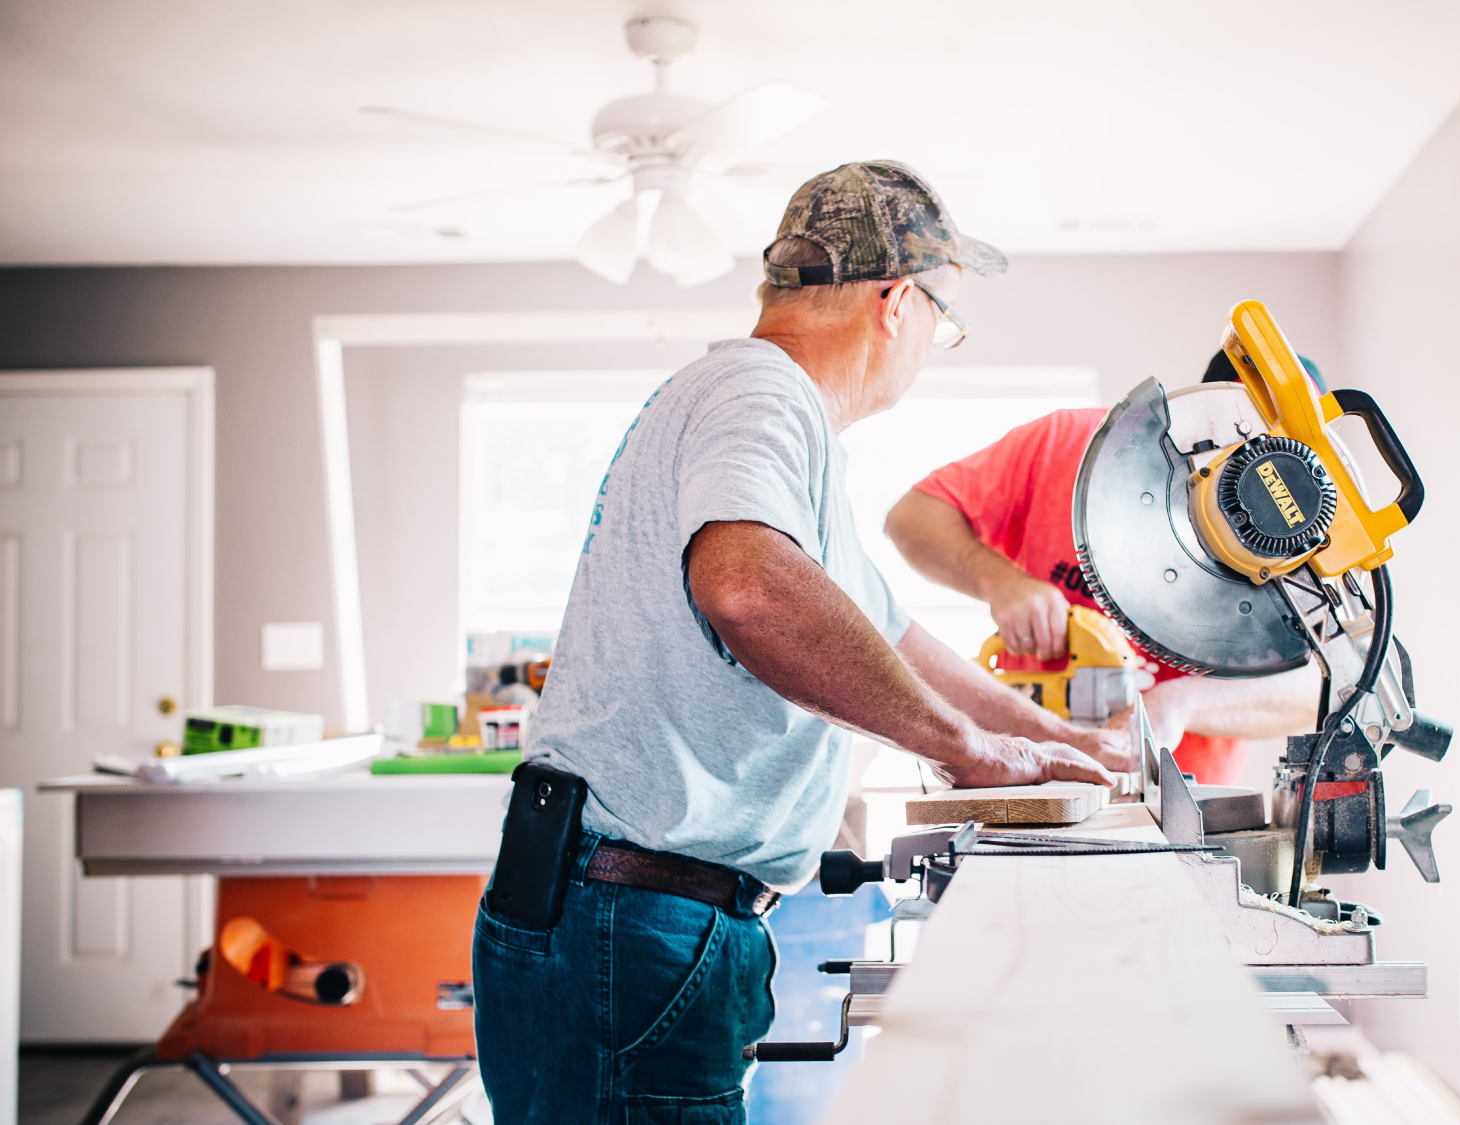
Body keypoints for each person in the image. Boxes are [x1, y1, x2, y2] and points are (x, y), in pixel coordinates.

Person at [472, 161, 1128, 1125]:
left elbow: (892, 633)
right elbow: (746, 588)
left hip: (627, 914)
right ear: (897, 302)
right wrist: (964, 749)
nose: (932, 345)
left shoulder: (768, 419)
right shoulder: (761, 391)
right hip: (635, 922)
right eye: (944, 321)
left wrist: (1055, 744)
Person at [883, 350, 1329, 785]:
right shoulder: (1067, 443)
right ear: (1195, 408)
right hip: (1026, 773)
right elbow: (912, 517)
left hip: (1181, 804)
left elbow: (1322, 688)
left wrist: (1182, 702)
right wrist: (1000, 581)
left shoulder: (1302, 542)